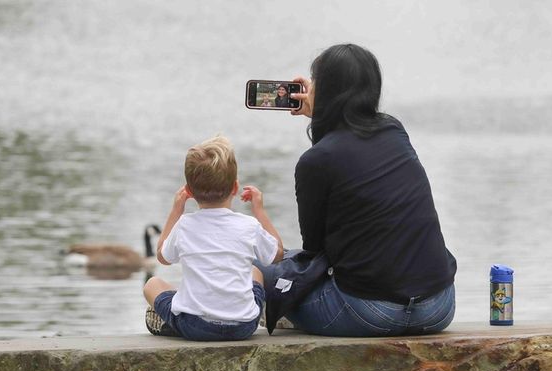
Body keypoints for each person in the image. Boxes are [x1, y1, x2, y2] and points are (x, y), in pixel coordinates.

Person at [258, 43, 457, 337]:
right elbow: (345, 153)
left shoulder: (316, 160)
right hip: (438, 307)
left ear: (326, 90)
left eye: (316, 82)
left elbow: (314, 248)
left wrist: (319, 118)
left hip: (368, 313)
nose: (310, 87)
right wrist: (321, 115)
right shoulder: (393, 130)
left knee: (261, 267)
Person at [143, 135, 284, 341]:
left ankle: (175, 320)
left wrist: (177, 209)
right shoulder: (249, 225)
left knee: (152, 284)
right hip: (243, 326)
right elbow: (277, 254)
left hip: (195, 325)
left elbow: (163, 257)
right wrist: (259, 211)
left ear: (189, 191)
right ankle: (248, 309)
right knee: (255, 271)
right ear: (235, 188)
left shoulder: (184, 225)